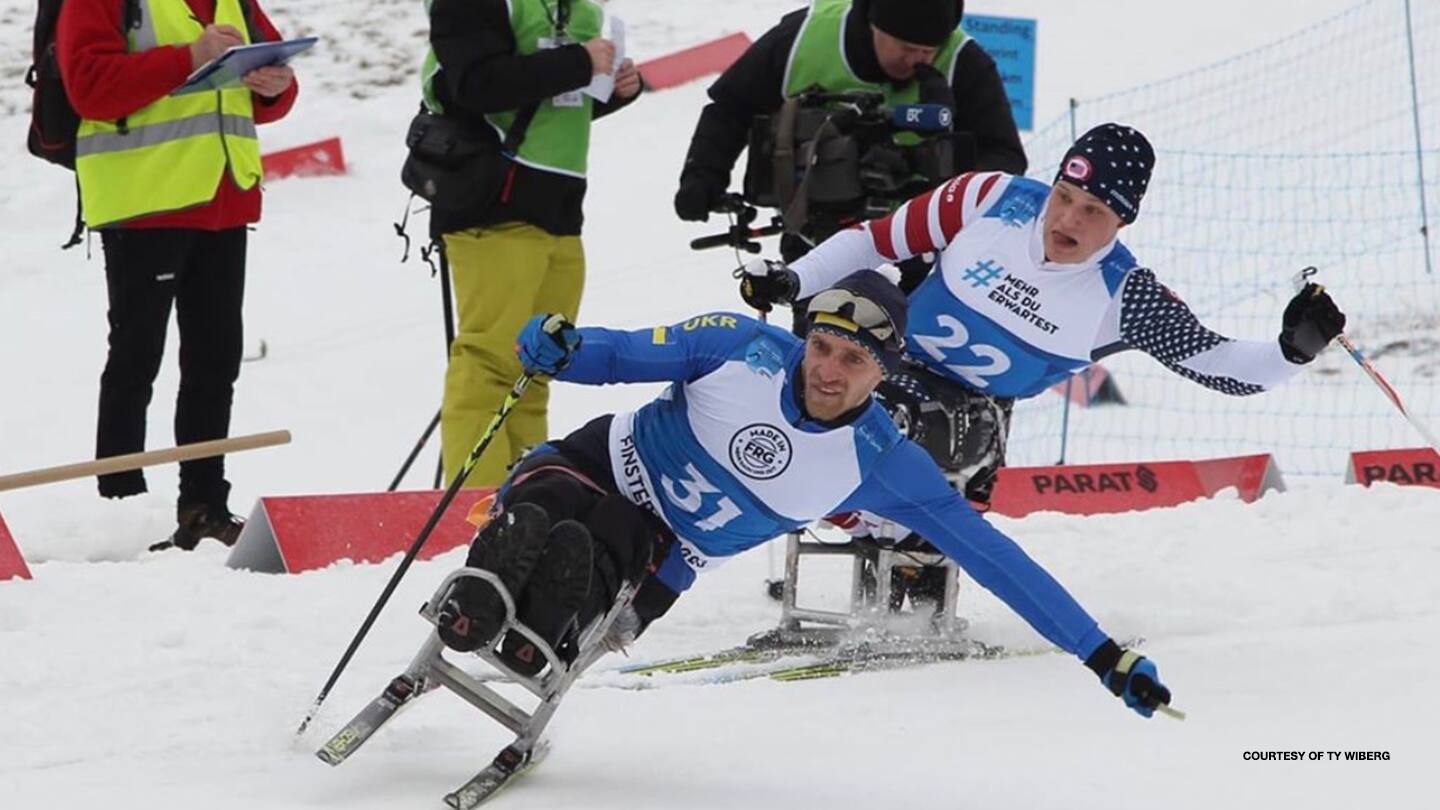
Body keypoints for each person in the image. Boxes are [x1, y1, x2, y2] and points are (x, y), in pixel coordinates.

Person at [435, 269, 1175, 720]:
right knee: (550, 506)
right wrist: (558, 346)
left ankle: (541, 628)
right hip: (598, 462)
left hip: (661, 547)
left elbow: (996, 560)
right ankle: (481, 601)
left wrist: (1102, 655)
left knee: (593, 553)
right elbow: (619, 351)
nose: (827, 370)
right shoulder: (736, 345)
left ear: (883, 373)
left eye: (853, 360)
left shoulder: (881, 460)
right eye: (821, 347)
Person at [738, 123, 1348, 512]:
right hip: (884, 367)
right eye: (1063, 197)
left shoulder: (1124, 295)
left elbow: (1222, 367)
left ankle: (910, 561)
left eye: (1091, 212)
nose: (1065, 222)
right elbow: (876, 241)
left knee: (881, 419)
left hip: (970, 419)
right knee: (774, 379)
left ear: (1123, 222)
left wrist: (1294, 349)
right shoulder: (990, 198)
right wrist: (793, 281)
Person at [57, 0, 299, 550]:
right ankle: (122, 511)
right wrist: (189, 55)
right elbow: (90, 88)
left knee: (215, 360)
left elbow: (266, 91)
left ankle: (204, 507)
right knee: (136, 358)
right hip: (145, 199)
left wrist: (274, 84)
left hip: (223, 198)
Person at [425, 0, 643, 488]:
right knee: (488, 361)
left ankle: (519, 498)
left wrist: (610, 89)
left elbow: (547, 103)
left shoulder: (577, 7)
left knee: (538, 363)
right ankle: (473, 507)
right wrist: (580, 63)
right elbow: (474, 84)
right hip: (493, 204)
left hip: (559, 208)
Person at [674, 0, 1025, 286]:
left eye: (929, 50)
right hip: (815, 238)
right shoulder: (805, 36)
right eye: (906, 47)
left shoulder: (963, 60)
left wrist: (939, 161)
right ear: (875, 25)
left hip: (916, 249)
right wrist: (702, 176)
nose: (918, 59)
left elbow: (1005, 156)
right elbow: (731, 106)